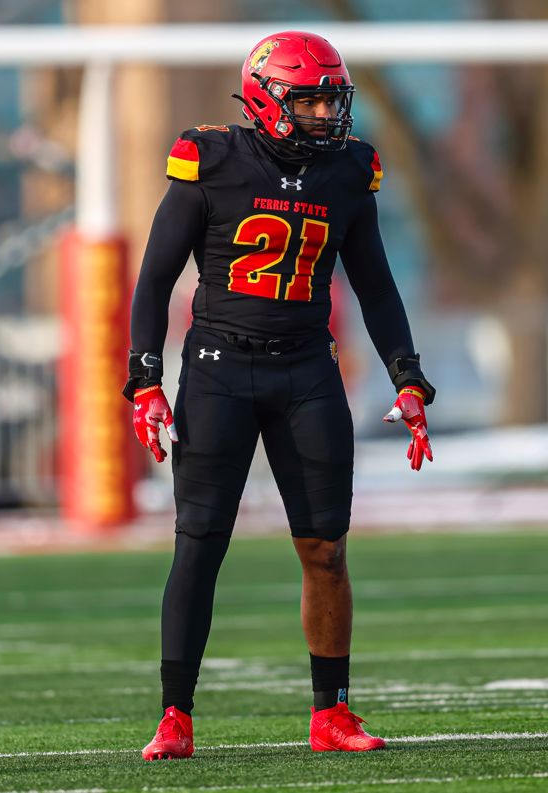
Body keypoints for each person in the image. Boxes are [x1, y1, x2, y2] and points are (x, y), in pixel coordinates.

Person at [124, 30, 435, 760]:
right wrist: (145, 380)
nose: (327, 113)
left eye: (333, 99)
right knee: (200, 544)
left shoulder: (349, 171)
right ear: (266, 98)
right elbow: (155, 276)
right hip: (218, 369)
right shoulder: (210, 159)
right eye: (309, 100)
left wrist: (407, 376)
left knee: (326, 548)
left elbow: (375, 283)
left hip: (306, 373)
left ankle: (332, 713)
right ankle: (175, 715)